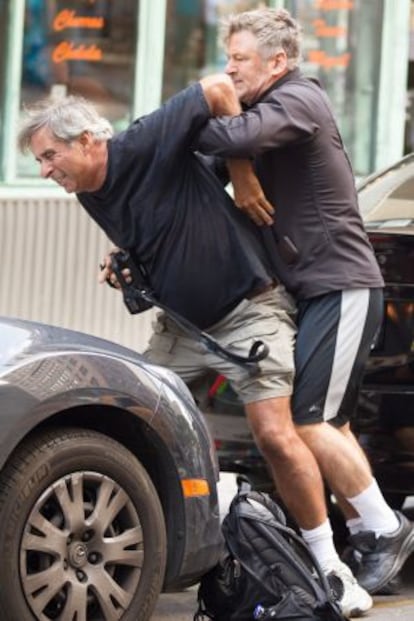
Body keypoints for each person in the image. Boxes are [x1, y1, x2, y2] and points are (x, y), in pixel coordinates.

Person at [18, 75, 366, 616]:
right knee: (132, 417)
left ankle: (332, 568)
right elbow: (153, 219)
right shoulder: (88, 189)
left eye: (49, 156)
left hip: (251, 309)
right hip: (182, 329)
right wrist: (124, 259)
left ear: (87, 139)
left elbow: (218, 87)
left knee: (275, 435)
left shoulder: (142, 140)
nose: (45, 171)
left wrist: (243, 173)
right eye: (40, 162)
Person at [196, 5, 414, 602]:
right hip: (311, 290)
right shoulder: (269, 109)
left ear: (278, 62)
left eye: (239, 60)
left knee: (310, 422)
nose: (229, 71)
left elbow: (227, 134)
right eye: (229, 60)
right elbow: (209, 161)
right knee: (329, 422)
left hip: (341, 284)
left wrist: (206, 102)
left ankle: (388, 527)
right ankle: (367, 529)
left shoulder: (299, 100)